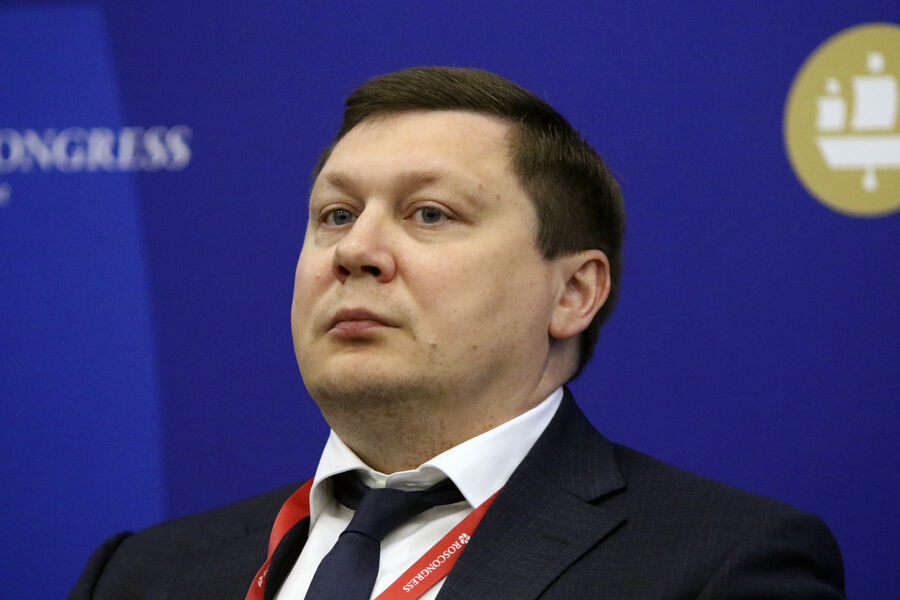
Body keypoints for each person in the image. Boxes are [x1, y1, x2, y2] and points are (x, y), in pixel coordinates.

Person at [70, 66, 846, 599]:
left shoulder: (720, 565)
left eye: (430, 214)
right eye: (336, 214)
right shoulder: (142, 575)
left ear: (573, 293)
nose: (356, 251)